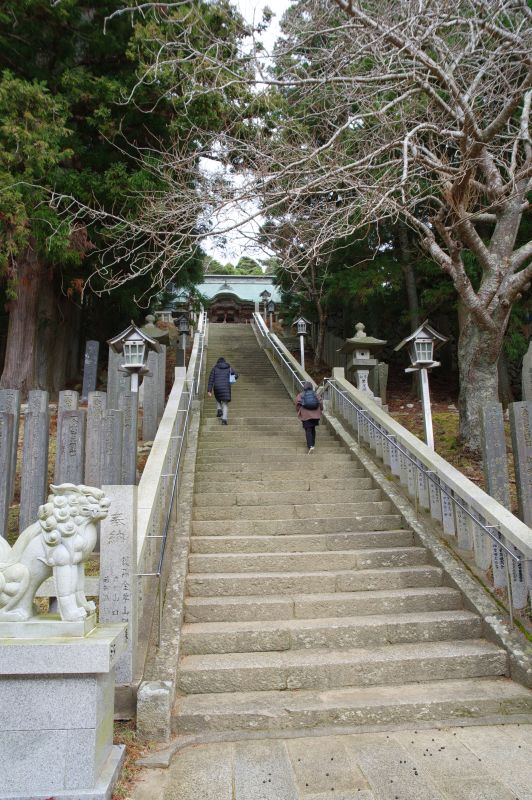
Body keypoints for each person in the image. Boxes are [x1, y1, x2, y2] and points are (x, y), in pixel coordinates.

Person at [207, 356, 238, 425]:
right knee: (225, 404)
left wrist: (209, 390)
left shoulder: (214, 368)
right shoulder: (229, 368)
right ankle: (224, 420)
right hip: (226, 387)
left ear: (218, 362)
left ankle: (219, 409)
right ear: (224, 362)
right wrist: (232, 377)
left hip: (217, 387)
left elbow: (211, 379)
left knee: (217, 399)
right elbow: (236, 375)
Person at [295, 381, 323, 453]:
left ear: (304, 387)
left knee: (308, 430)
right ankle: (312, 444)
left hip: (305, 415)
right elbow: (320, 402)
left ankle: (310, 446)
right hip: (315, 415)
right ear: (311, 387)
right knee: (313, 428)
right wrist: (321, 410)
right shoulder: (315, 394)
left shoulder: (301, 395)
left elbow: (297, 404)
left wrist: (299, 411)